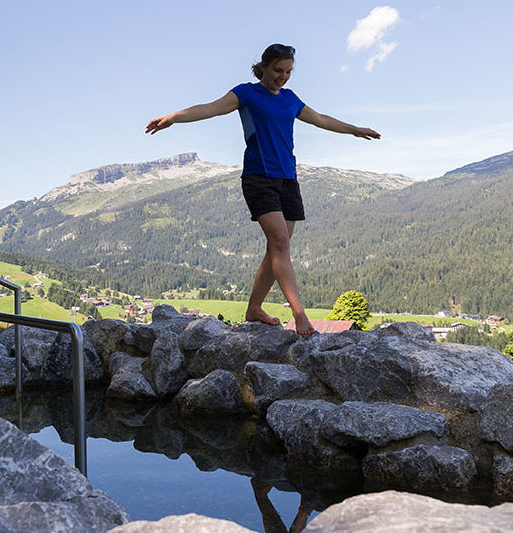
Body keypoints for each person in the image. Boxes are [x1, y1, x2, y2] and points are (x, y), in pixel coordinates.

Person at [146, 43, 380, 335]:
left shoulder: (291, 99)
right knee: (281, 242)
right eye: (278, 70)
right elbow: (210, 108)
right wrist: (173, 117)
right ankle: (299, 315)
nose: (283, 77)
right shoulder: (246, 93)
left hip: (288, 179)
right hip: (259, 177)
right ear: (264, 68)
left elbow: (321, 120)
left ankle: (254, 308)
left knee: (276, 248)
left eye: (288, 72)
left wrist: (355, 129)